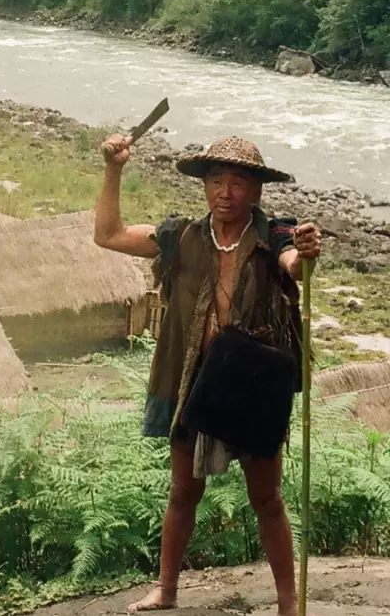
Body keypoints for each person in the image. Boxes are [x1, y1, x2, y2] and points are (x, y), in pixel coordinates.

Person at [94, 134, 322, 615]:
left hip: (255, 382)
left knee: (267, 498)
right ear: (204, 186)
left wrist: (305, 252)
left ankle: (288, 601)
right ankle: (166, 590)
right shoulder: (182, 237)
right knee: (183, 492)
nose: (225, 192)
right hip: (194, 382)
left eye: (238, 182)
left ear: (256, 190)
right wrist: (114, 170)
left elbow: (294, 266)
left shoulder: (273, 236)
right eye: (216, 180)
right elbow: (108, 235)